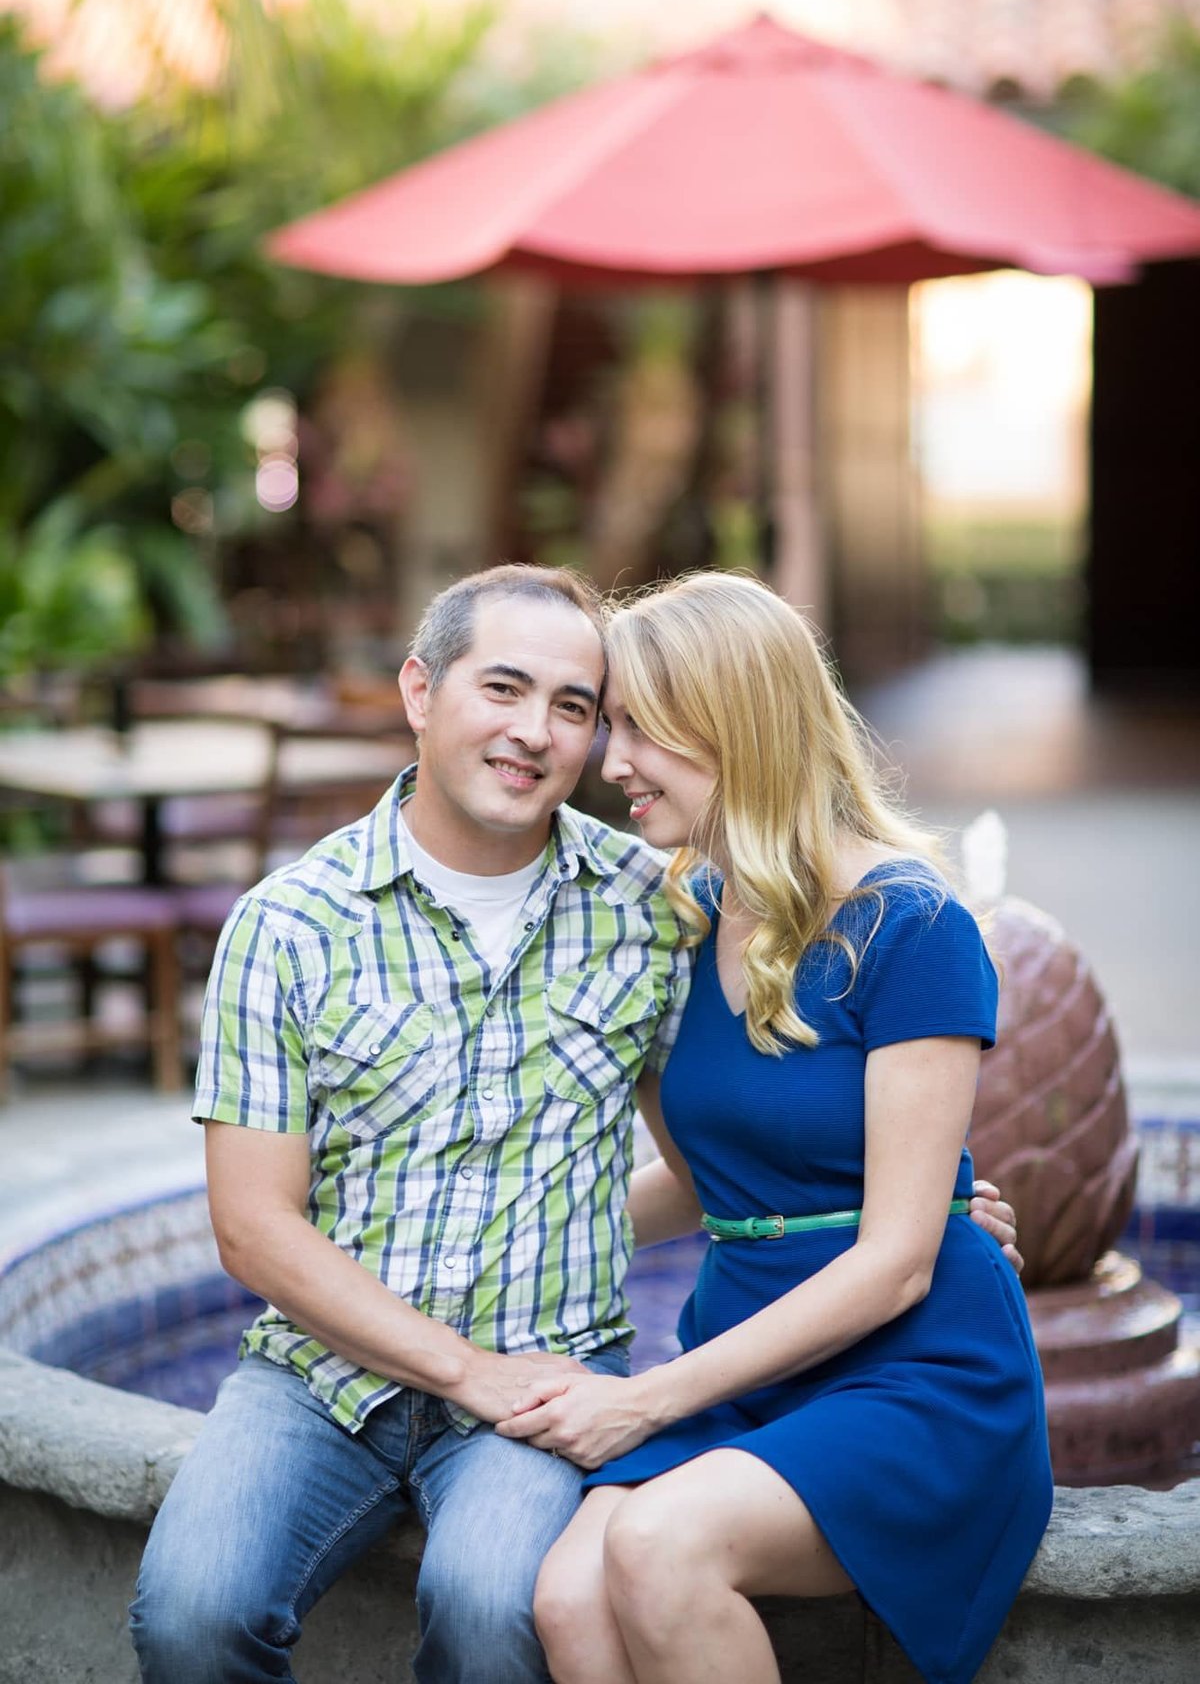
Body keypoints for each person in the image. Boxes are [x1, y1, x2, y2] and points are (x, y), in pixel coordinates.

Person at [130, 563, 1022, 1684]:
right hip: (343, 1373)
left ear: (725, 724)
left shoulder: (657, 907)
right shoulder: (309, 923)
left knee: (516, 1599)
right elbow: (256, 1228)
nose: (585, 753)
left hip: (666, 1364)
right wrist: (884, 1212)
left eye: (594, 714)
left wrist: (910, 1213)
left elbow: (815, 1200)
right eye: (506, 690)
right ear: (420, 690)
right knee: (216, 1613)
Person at [501, 572, 1053, 1684]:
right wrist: (518, 1234)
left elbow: (897, 1261)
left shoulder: (914, 926)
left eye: (639, 731)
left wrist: (643, 1399)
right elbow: (713, 1185)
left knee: (659, 1549)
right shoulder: (686, 913)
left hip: (915, 1368)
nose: (609, 764)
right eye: (611, 727)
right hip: (749, 1352)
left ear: (733, 725)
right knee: (564, 1597)